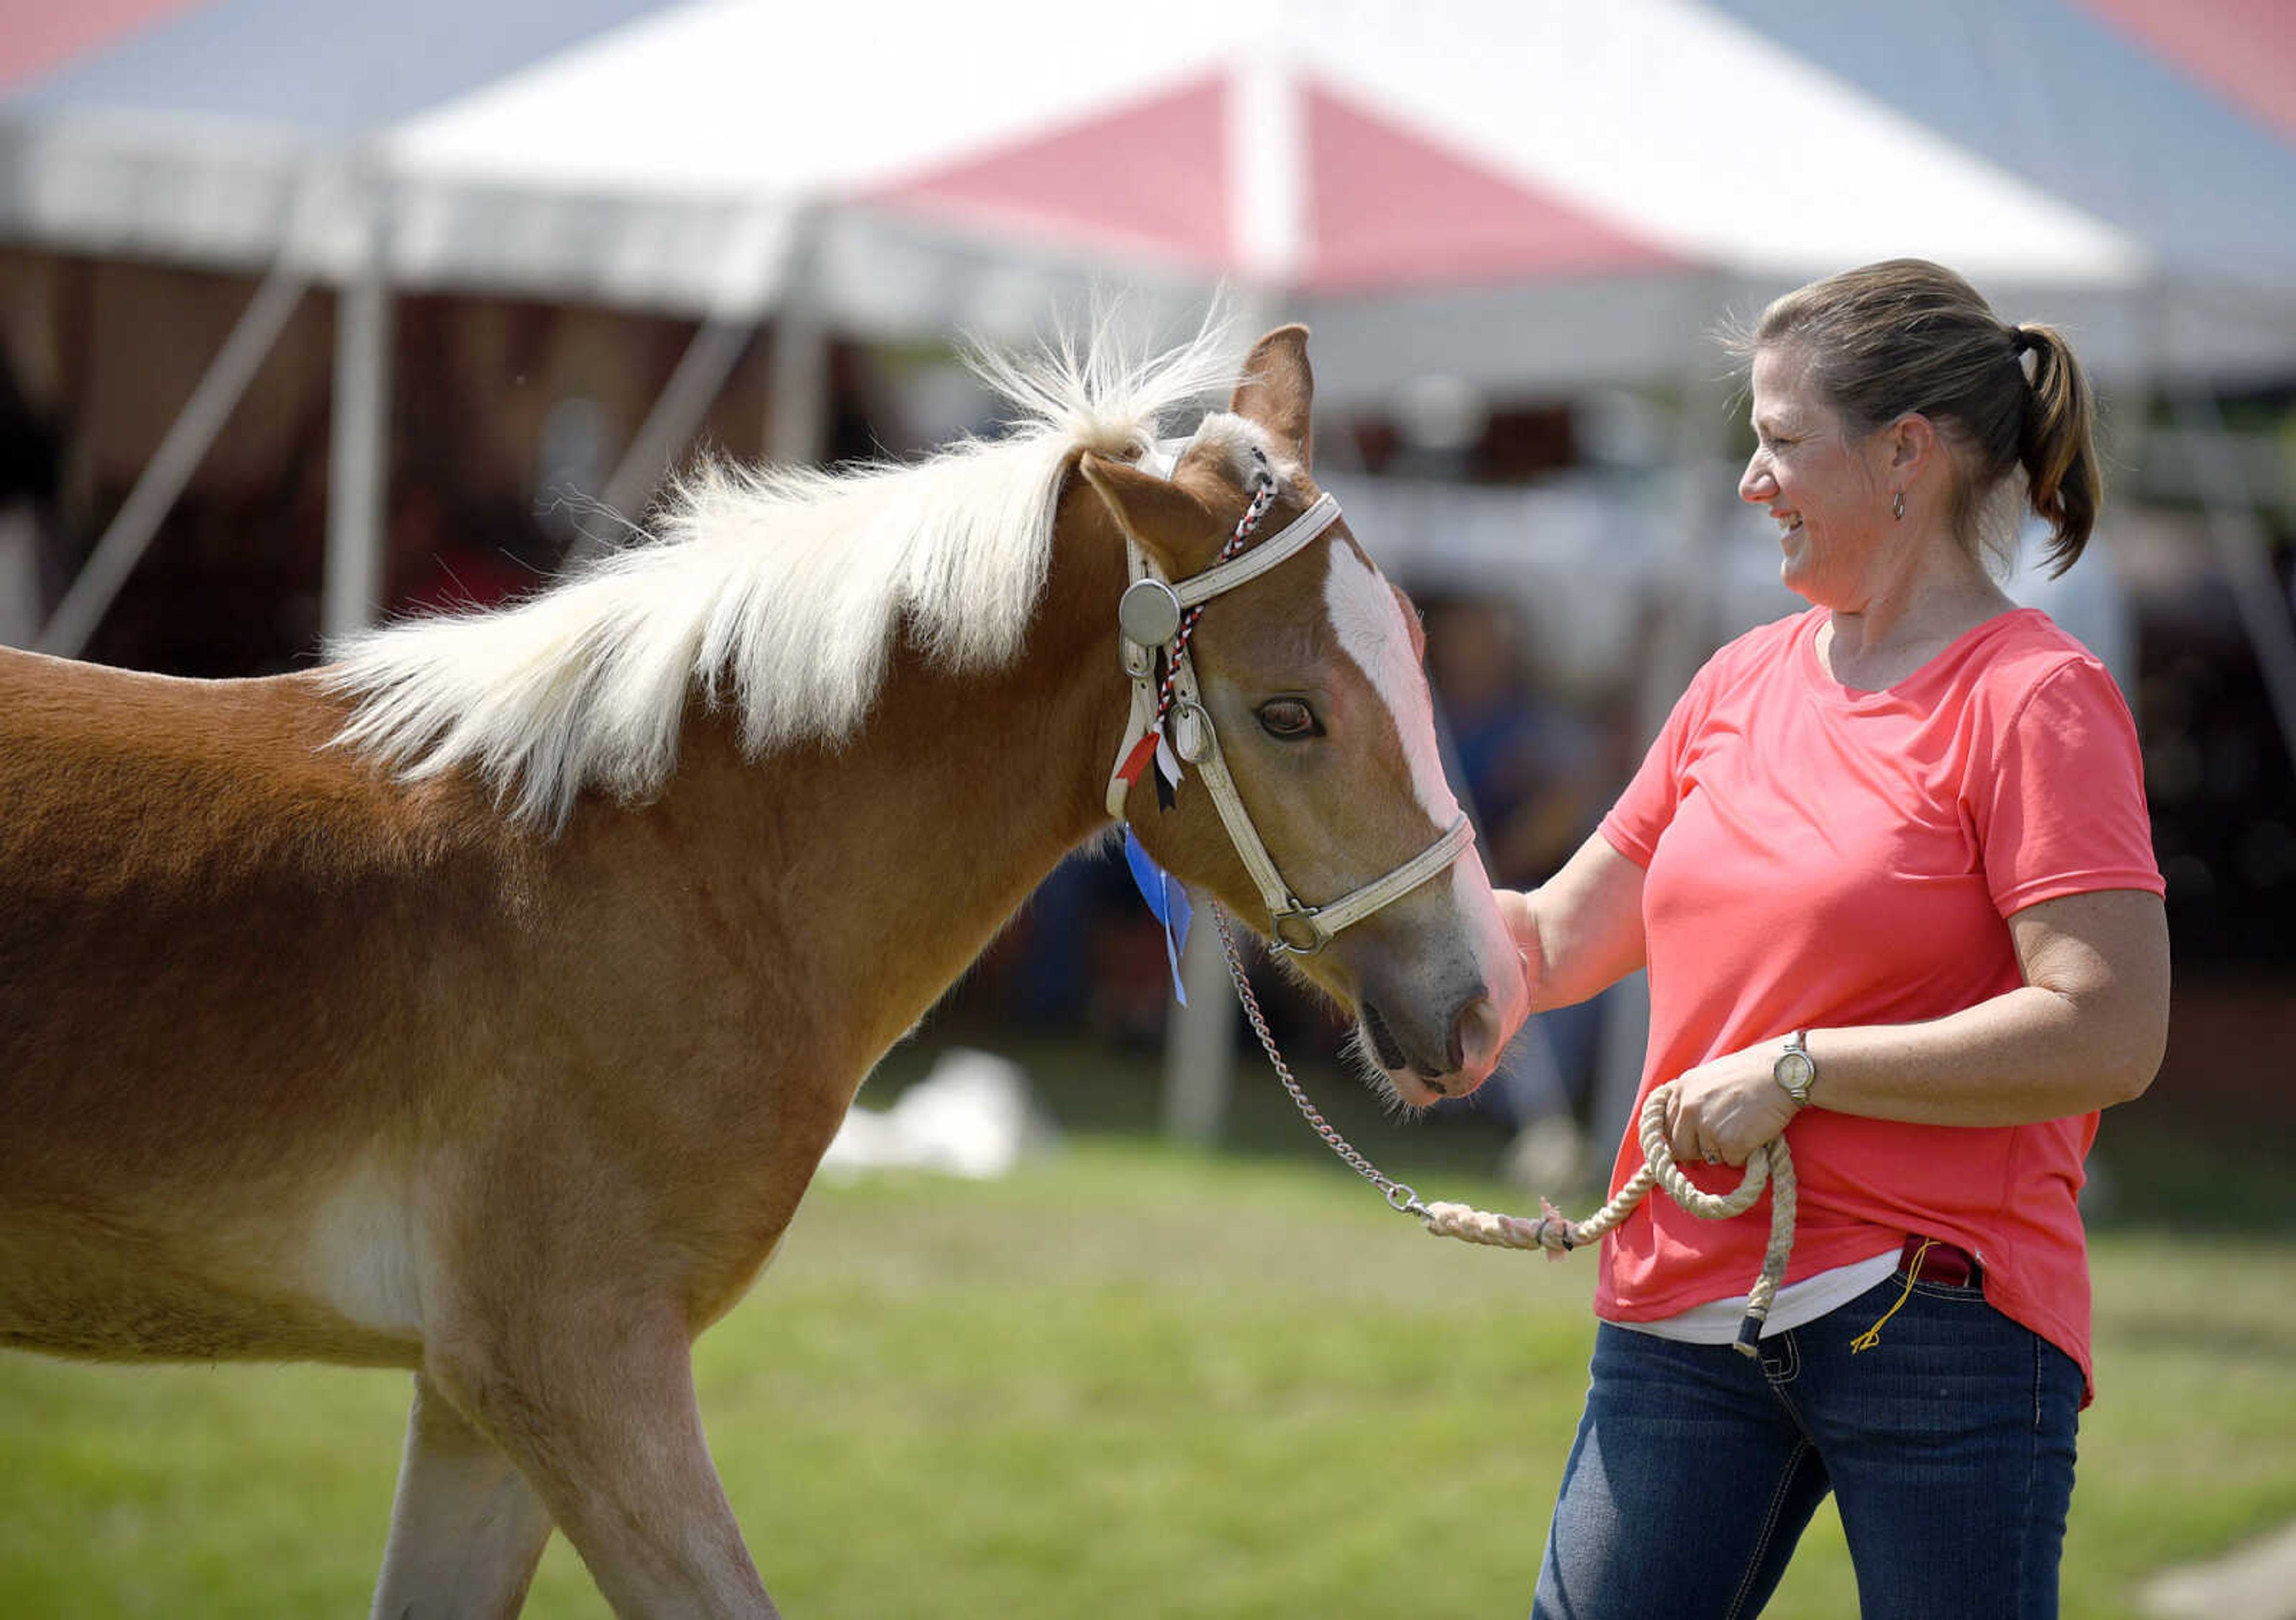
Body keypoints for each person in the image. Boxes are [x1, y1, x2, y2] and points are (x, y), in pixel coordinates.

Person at [1495, 259, 2170, 1619]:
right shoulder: (1739, 678)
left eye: (1783, 440)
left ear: (1906, 454)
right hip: (1686, 1303)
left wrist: (1799, 1067)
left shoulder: (2038, 698)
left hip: (1939, 1319)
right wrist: (1337, 891)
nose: (1753, 479)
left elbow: (2109, 1027)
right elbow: (1553, 939)